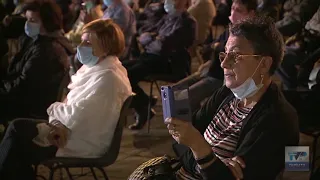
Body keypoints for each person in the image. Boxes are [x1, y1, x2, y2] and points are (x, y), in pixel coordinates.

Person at [129, 16, 299, 180]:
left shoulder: (279, 118)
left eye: (236, 55)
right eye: (224, 54)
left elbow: (191, 145)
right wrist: (209, 161)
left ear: (264, 64)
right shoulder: (227, 94)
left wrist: (198, 146)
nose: (224, 64)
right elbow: (182, 146)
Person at [0, 19, 132, 180]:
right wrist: (57, 118)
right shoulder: (98, 69)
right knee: (16, 136)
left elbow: (78, 115)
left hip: (81, 140)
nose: (81, 46)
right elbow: (75, 110)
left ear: (106, 47)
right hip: (69, 130)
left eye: (88, 42)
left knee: (16, 136)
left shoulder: (108, 77)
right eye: (82, 40)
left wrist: (54, 109)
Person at [125, 0, 197, 130]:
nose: (169, 2)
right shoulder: (167, 17)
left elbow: (165, 45)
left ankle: (143, 106)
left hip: (168, 62)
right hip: (151, 57)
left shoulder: (188, 22)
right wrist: (153, 38)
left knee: (128, 75)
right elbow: (144, 32)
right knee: (119, 69)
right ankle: (144, 102)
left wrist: (151, 39)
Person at [176, 0, 257, 112]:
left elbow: (226, 53)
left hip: (220, 78)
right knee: (173, 91)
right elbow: (208, 48)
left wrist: (216, 47)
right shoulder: (232, 29)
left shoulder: (247, 35)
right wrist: (216, 47)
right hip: (209, 70)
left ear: (251, 14)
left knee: (184, 98)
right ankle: (195, 120)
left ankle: (196, 124)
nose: (233, 13)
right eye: (233, 9)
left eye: (239, 10)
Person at [0, 1, 73, 123]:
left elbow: (22, 86)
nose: (27, 24)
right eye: (27, 19)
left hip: (28, 107)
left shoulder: (47, 51)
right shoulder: (37, 39)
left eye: (32, 20)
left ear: (48, 23)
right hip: (22, 96)